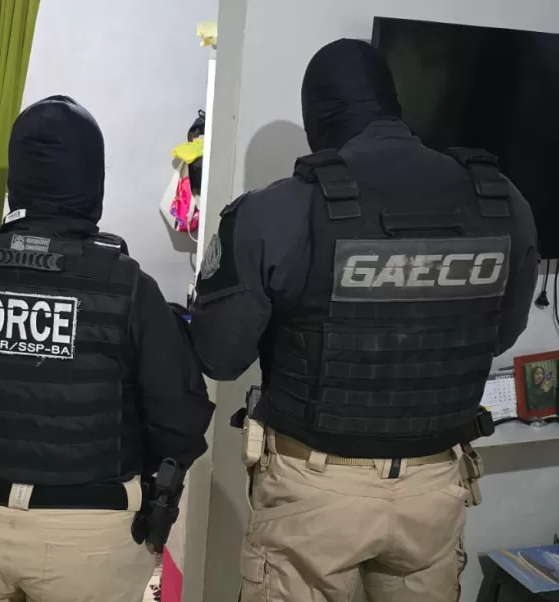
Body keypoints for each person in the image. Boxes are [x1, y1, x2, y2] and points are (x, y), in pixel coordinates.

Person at [189, 40, 538, 601]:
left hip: (314, 489)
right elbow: (499, 336)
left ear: (316, 118)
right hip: (434, 488)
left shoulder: (275, 211)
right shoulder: (501, 201)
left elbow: (219, 355)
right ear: (391, 103)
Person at [0, 96, 214, 602]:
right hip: (89, 534)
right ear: (93, 181)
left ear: (16, 183)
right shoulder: (126, 286)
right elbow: (181, 420)